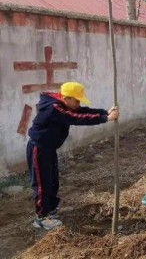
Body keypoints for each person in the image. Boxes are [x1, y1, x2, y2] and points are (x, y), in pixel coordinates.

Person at [27, 82, 119, 230]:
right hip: (39, 149)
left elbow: (82, 111)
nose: (78, 103)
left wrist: (104, 112)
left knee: (52, 180)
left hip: (49, 148)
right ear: (66, 98)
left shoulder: (63, 104)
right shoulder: (54, 108)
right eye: (76, 100)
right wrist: (104, 119)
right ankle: (41, 218)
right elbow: (77, 117)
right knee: (42, 183)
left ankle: (50, 210)